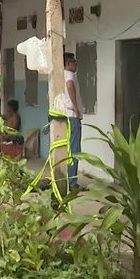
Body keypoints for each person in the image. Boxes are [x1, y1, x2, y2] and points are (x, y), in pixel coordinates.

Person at [64, 53, 84, 191]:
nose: (75, 64)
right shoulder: (69, 76)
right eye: (73, 62)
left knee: (68, 148)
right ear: (67, 64)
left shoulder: (60, 75)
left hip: (65, 116)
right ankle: (72, 183)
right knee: (74, 149)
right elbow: (70, 86)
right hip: (72, 116)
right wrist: (76, 107)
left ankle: (67, 180)